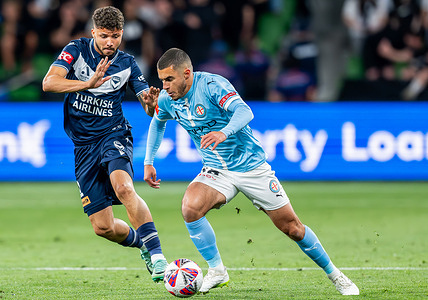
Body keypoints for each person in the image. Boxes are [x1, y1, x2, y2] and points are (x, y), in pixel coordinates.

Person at [144, 48, 360, 295]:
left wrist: (223, 132)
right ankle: (217, 271)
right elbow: (157, 122)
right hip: (216, 169)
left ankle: (336, 275)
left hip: (251, 167)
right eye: (162, 80)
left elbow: (245, 111)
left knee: (293, 228)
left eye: (169, 79)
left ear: (187, 73)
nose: (164, 86)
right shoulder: (166, 98)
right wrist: (148, 161)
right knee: (190, 208)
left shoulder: (213, 85)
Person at [42, 6, 167, 282]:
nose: (110, 42)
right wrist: (86, 84)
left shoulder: (128, 63)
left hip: (114, 134)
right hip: (83, 147)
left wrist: (150, 103)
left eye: (116, 36)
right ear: (93, 32)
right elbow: (49, 83)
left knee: (123, 187)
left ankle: (159, 256)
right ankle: (142, 244)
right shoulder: (75, 50)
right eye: (104, 36)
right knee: (103, 227)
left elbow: (149, 104)